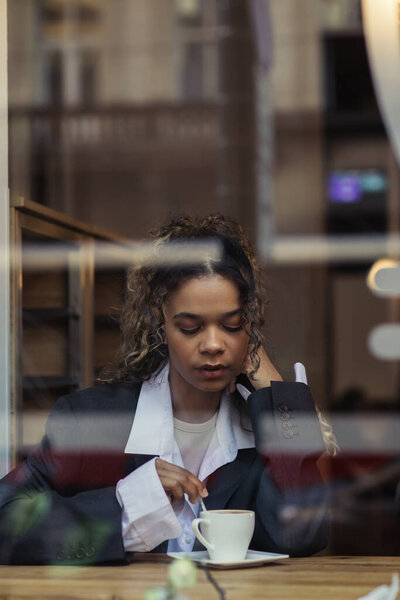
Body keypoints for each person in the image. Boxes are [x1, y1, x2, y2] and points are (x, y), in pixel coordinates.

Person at [0, 214, 333, 565]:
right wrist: (132, 503)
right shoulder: (90, 421)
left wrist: (276, 390)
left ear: (249, 324)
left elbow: (303, 535)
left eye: (231, 325)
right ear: (160, 321)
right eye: (190, 327)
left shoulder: (263, 430)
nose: (213, 344)